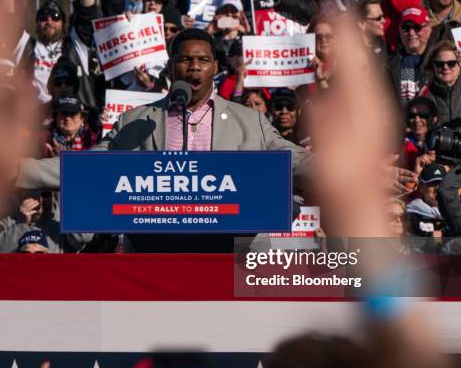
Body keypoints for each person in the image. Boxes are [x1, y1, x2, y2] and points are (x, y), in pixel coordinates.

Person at [16, 29, 315, 252]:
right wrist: (21, 170)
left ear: (214, 67)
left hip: (234, 255)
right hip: (154, 254)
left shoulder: (250, 121)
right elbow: (89, 167)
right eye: (185, 59)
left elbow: (296, 160)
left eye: (203, 60)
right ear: (172, 66)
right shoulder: (137, 121)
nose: (194, 66)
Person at [0, 190, 93, 253]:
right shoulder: (11, 221)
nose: (40, 201)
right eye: (34, 196)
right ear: (23, 197)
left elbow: (84, 236)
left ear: (53, 197)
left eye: (46, 195)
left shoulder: (62, 220)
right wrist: (21, 224)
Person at [419, 40, 461, 125]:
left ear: (460, 64)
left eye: (451, 63)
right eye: (439, 64)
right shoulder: (425, 93)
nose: (445, 67)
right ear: (433, 66)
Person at [387, 7, 433, 107]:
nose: (411, 33)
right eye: (406, 28)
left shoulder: (441, 60)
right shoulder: (388, 64)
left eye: (417, 27)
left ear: (429, 29)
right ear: (399, 30)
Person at [31, 0, 67, 104]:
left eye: (55, 16)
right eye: (43, 18)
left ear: (63, 22)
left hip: (64, 111)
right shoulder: (27, 46)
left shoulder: (71, 46)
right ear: (37, 23)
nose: (49, 21)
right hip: (35, 112)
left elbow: (87, 14)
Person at [407, 163, 447, 237]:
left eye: (442, 184)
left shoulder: (457, 214)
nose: (438, 188)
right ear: (421, 187)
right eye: (433, 183)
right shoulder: (408, 216)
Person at [403, 97, 438, 169]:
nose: (417, 120)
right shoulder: (400, 148)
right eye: (412, 116)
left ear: (434, 119)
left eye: (423, 115)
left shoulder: (443, 145)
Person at [355, 0, 388, 65]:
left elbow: (399, 70)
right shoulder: (353, 55)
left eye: (383, 16)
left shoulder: (385, 45)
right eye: (378, 18)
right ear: (362, 24)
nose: (384, 21)